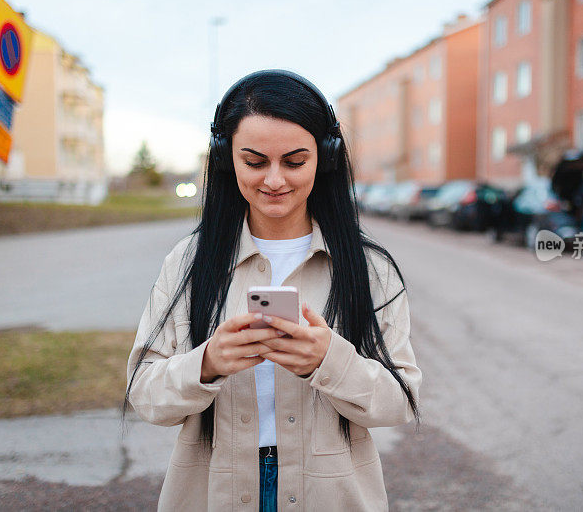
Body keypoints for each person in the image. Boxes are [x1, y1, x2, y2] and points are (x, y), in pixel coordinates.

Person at [122, 69, 422, 512]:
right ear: (227, 161)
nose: (275, 180)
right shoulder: (187, 262)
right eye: (255, 161)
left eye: (295, 161)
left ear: (326, 158)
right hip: (213, 494)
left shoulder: (370, 269)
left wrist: (330, 361)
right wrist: (207, 363)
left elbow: (401, 401)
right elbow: (144, 394)